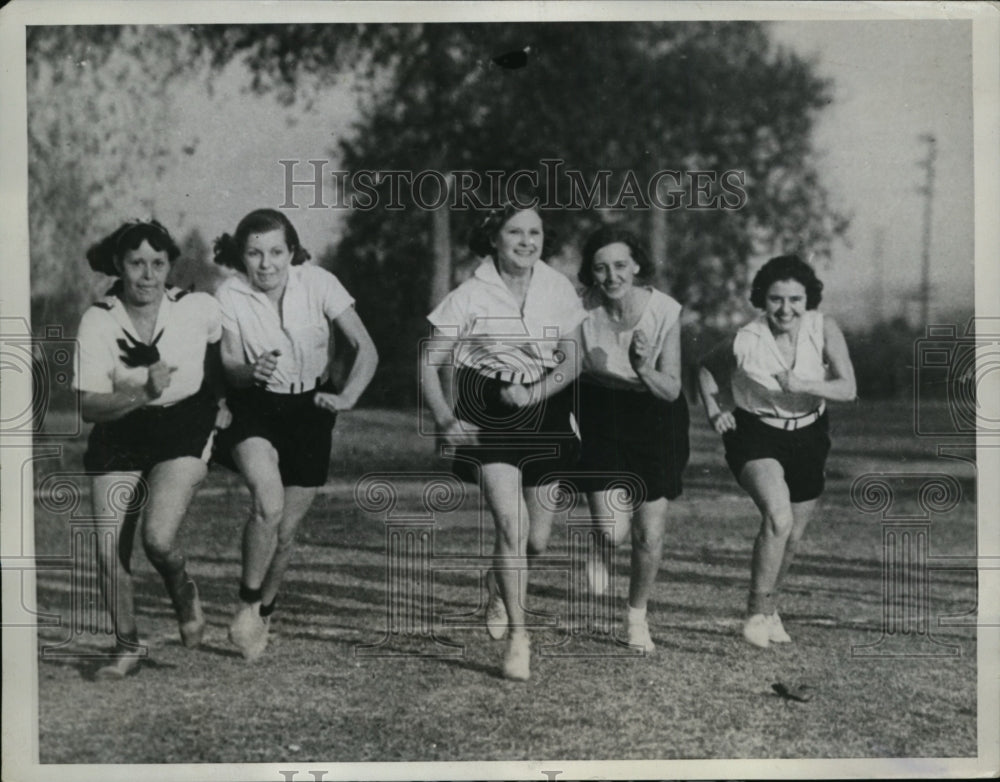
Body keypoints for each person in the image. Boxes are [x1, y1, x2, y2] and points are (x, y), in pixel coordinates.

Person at [420, 203, 586, 681]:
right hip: (487, 408)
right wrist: (445, 419)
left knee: (535, 539)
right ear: (494, 237)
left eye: (534, 232)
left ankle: (497, 584)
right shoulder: (470, 294)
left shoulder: (557, 287)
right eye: (515, 231)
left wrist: (535, 390)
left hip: (546, 404)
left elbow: (573, 361)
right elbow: (429, 362)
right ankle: (519, 634)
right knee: (510, 527)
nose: (526, 242)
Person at [213, 208, 378, 662]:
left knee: (285, 532)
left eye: (275, 253)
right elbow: (228, 361)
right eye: (254, 253)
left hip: (311, 409)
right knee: (267, 504)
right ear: (241, 256)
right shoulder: (229, 293)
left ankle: (266, 607)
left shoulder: (320, 283)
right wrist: (250, 370)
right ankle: (247, 604)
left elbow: (366, 348)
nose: (265, 264)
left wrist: (347, 398)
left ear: (292, 253)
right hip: (256, 407)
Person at [75, 218, 226, 679]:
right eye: (137, 263)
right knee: (106, 549)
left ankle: (182, 590)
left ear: (169, 266)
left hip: (181, 426)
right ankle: (127, 646)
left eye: (157, 263)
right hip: (120, 429)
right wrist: (141, 393)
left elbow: (218, 349)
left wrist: (221, 401)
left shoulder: (197, 307)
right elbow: (88, 406)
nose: (147, 274)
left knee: (158, 539)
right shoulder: (99, 319)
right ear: (119, 266)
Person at [697, 254, 856, 648]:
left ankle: (770, 609)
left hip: (810, 435)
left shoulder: (825, 328)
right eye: (776, 299)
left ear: (808, 299)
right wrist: (716, 410)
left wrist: (804, 384)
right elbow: (703, 369)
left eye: (795, 299)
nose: (785, 308)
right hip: (756, 434)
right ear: (762, 300)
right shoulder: (746, 338)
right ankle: (755, 611)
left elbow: (848, 388)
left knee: (794, 536)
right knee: (778, 517)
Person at [570, 226, 689, 652]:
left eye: (620, 265)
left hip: (655, 413)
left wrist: (642, 367)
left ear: (636, 265)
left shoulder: (664, 310)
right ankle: (601, 547)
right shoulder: (578, 308)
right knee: (612, 528)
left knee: (648, 534)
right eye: (601, 268)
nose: (612, 275)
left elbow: (672, 388)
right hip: (600, 409)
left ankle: (636, 616)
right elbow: (566, 368)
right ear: (591, 273)